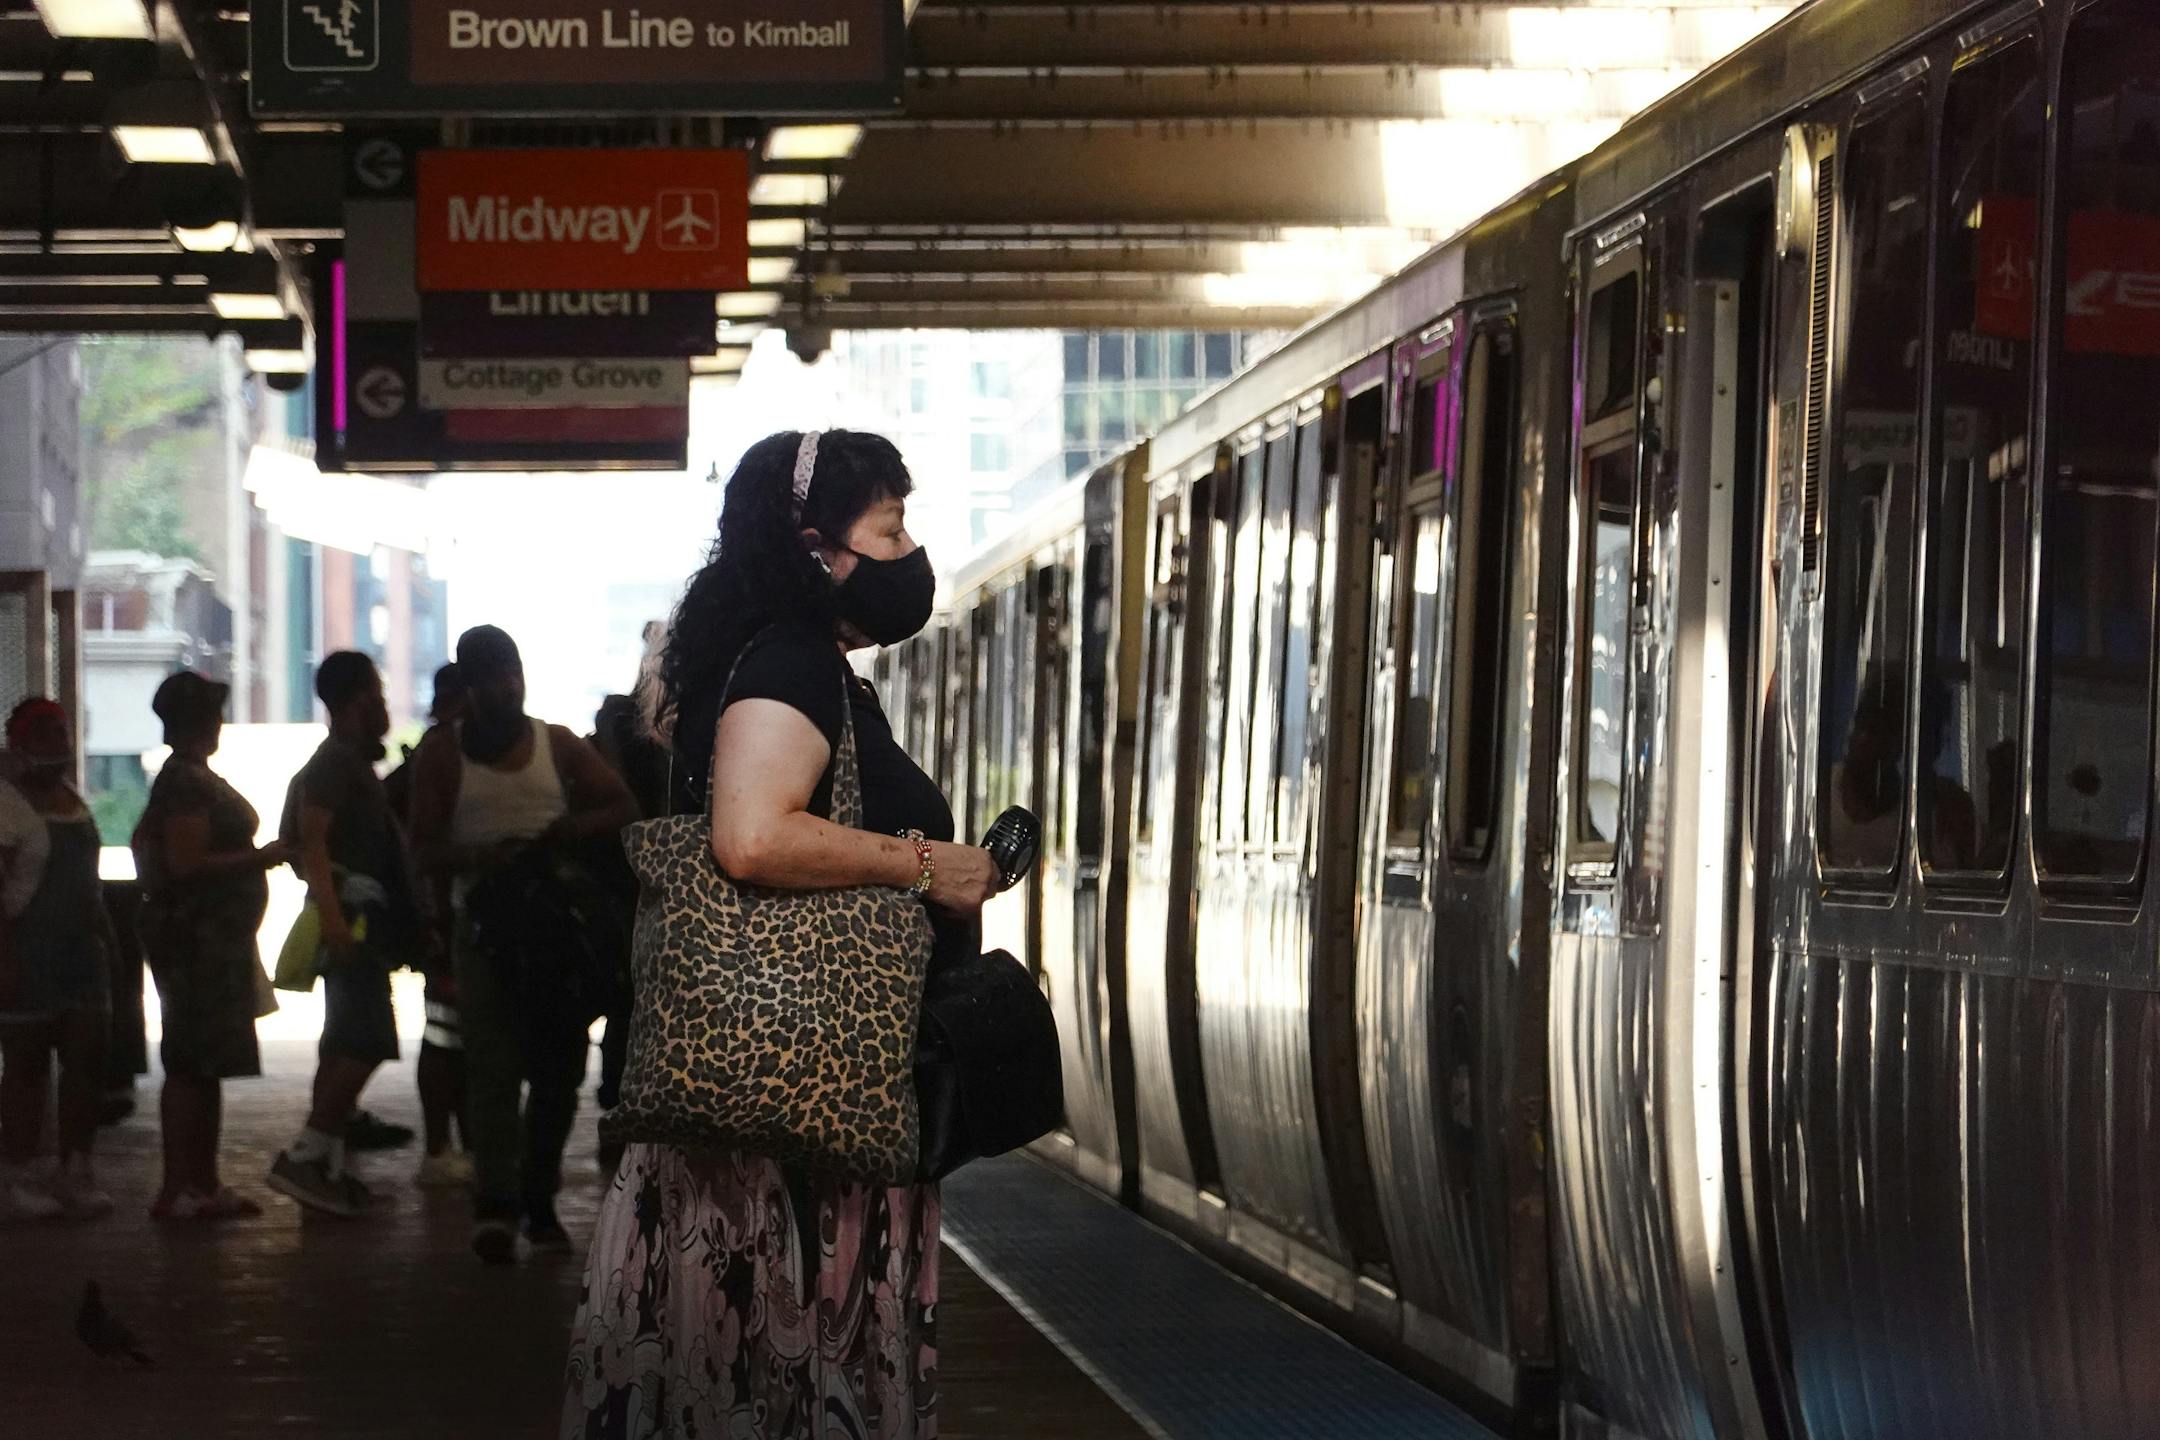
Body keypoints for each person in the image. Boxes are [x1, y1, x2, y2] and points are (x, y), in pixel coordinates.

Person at [562, 429, 1000, 1439]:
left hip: (784, 1113)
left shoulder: (781, 663)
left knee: (743, 1391)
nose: (908, 553)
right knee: (784, 1381)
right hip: (796, 1119)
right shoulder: (791, 664)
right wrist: (935, 863)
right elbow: (753, 839)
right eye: (888, 529)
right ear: (815, 548)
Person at [408, 626, 637, 1262]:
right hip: (485, 934)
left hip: (553, 932)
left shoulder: (556, 745)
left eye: (512, 674)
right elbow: (422, 847)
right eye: (493, 678)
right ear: (468, 686)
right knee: (493, 1067)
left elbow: (621, 807)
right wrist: (487, 856)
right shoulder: (442, 755)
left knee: (557, 1070)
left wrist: (563, 834)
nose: (507, 688)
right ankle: (500, 1202)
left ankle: (533, 1199)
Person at [131, 671, 288, 1221]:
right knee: (192, 1062)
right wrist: (262, 857)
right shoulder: (187, 784)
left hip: (212, 941)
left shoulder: (187, 777)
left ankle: (202, 1181)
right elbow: (186, 863)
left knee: (205, 1062)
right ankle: (181, 1185)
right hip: (197, 943)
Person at [267, 652, 418, 1217]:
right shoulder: (334, 765)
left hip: (354, 922)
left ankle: (326, 1162)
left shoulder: (343, 763)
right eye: (378, 693)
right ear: (359, 700)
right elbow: (310, 843)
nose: (384, 705)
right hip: (349, 926)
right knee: (365, 1038)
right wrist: (334, 921)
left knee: (344, 1041)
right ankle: (307, 1153)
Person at [0, 700, 117, 1221]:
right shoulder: (8, 806)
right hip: (27, 951)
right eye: (45, 733)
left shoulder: (73, 800)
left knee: (85, 1063)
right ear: (20, 742)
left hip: (80, 954)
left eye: (62, 732)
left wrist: (107, 942)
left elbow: (87, 884)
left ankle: (75, 1168)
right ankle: (19, 1175)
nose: (59, 742)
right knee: (25, 1069)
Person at [390, 663, 473, 1189]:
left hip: (439, 919)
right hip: (447, 919)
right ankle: (446, 1144)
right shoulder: (446, 753)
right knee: (449, 1037)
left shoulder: (427, 754)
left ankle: (450, 1144)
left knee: (449, 1034)